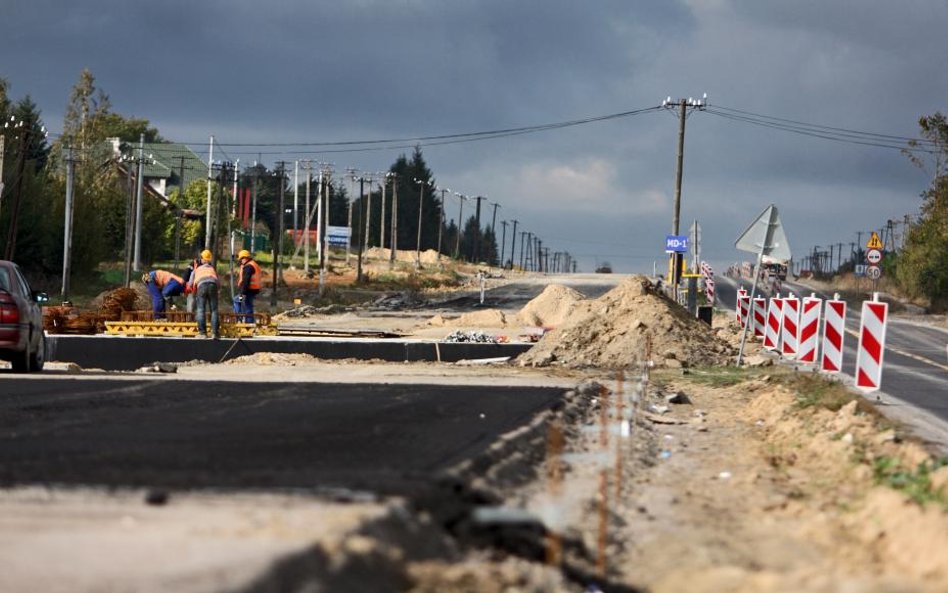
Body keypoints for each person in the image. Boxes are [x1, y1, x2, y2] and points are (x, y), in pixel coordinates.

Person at [188, 249, 220, 339]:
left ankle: (203, 333)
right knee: (214, 310)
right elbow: (218, 282)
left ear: (202, 258)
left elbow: (190, 283)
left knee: (201, 309)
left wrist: (190, 290)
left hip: (201, 286)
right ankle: (215, 333)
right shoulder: (212, 269)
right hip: (213, 285)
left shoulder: (197, 269)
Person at [235, 249, 261, 323]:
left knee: (238, 301)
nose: (240, 261)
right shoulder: (252, 264)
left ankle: (242, 320)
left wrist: (242, 293)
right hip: (252, 289)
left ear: (245, 258)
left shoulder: (249, 266)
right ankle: (247, 321)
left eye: (241, 259)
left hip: (248, 290)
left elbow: (246, 281)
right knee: (246, 304)